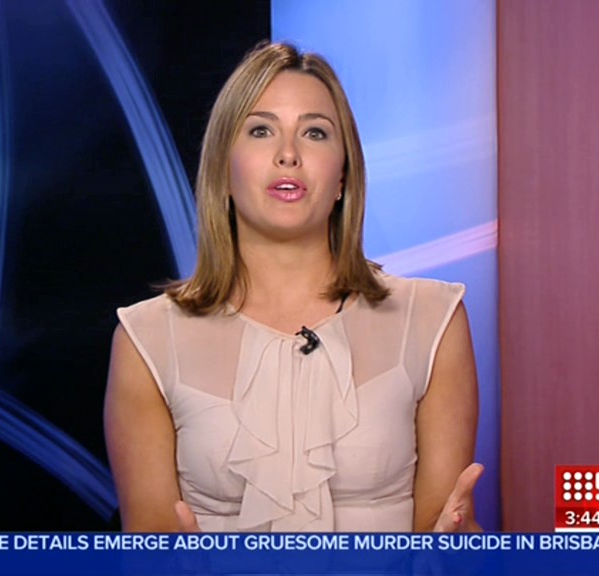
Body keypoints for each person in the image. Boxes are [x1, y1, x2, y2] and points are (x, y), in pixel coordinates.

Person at [105, 41, 482, 532]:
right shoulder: (147, 339)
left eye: (315, 133)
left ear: (343, 176)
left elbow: (442, 540)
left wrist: (460, 549)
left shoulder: (433, 320)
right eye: (261, 131)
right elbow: (152, 549)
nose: (288, 155)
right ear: (223, 169)